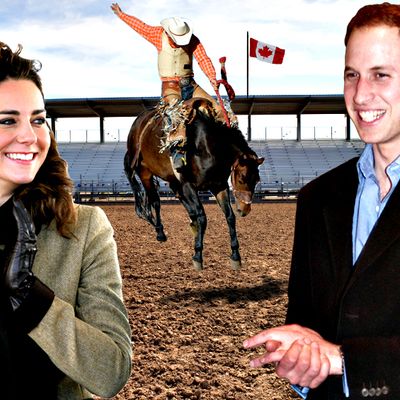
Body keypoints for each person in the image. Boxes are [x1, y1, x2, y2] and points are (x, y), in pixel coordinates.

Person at [243, 2, 400, 399]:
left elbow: (337, 357)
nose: (361, 95)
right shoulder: (316, 198)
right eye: (352, 75)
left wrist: (345, 361)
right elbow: (308, 330)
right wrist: (303, 359)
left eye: (380, 75)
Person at [0, 41, 132, 398]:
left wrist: (29, 298)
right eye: (8, 120)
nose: (29, 136)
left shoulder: (84, 227)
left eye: (38, 120)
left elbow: (112, 371)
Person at [110, 2, 231, 170]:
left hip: (191, 84)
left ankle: (228, 149)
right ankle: (178, 155)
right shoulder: (157, 35)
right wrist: (122, 15)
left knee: (217, 109)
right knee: (176, 115)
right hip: (170, 87)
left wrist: (212, 78)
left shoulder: (193, 40)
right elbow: (140, 27)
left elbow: (203, 59)